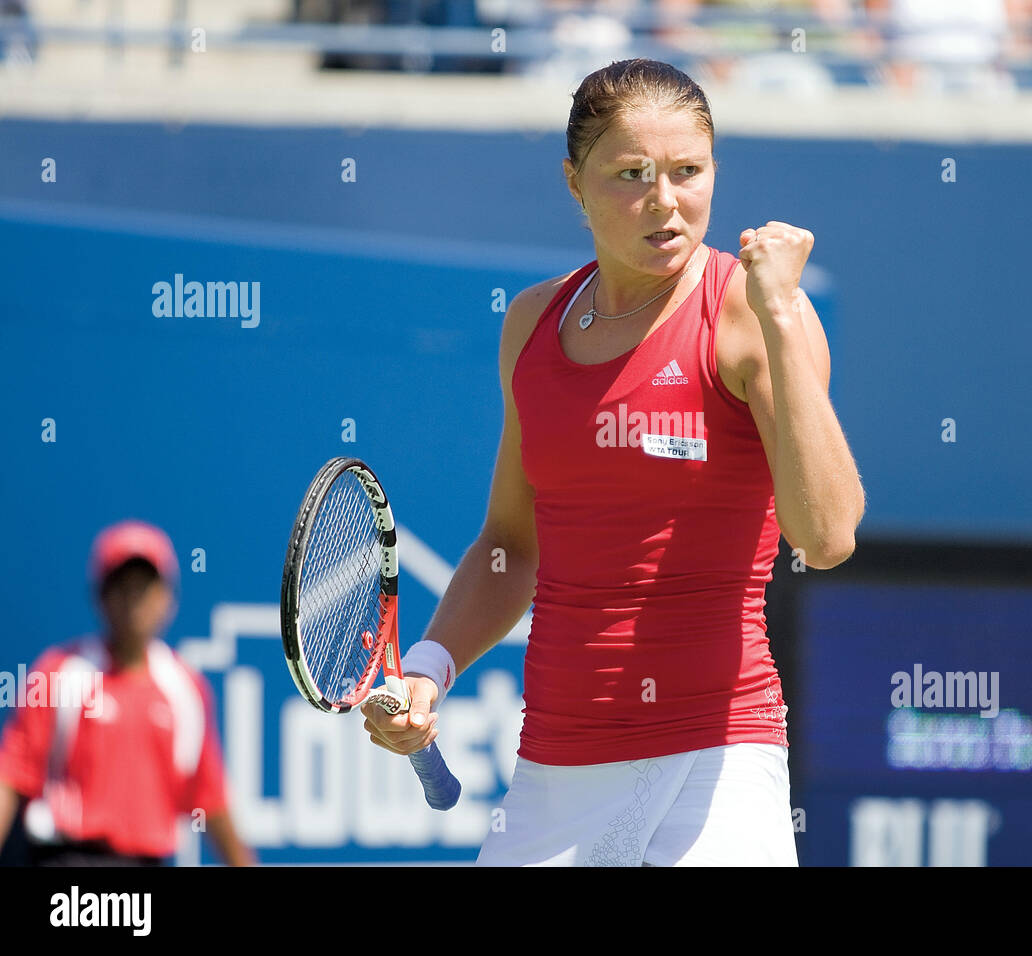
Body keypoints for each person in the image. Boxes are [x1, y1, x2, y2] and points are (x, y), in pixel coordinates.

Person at [362, 57, 865, 866]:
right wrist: (428, 667)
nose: (665, 202)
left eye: (687, 171)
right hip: (557, 767)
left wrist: (778, 313)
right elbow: (512, 544)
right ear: (574, 182)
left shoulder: (756, 313)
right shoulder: (531, 323)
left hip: (720, 757)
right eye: (631, 174)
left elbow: (828, 535)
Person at [0, 520, 254, 866]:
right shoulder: (57, 672)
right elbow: (10, 779)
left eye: (145, 585)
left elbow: (210, 799)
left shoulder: (187, 689)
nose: (134, 599)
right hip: (66, 867)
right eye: (122, 585)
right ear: (101, 596)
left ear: (167, 598)